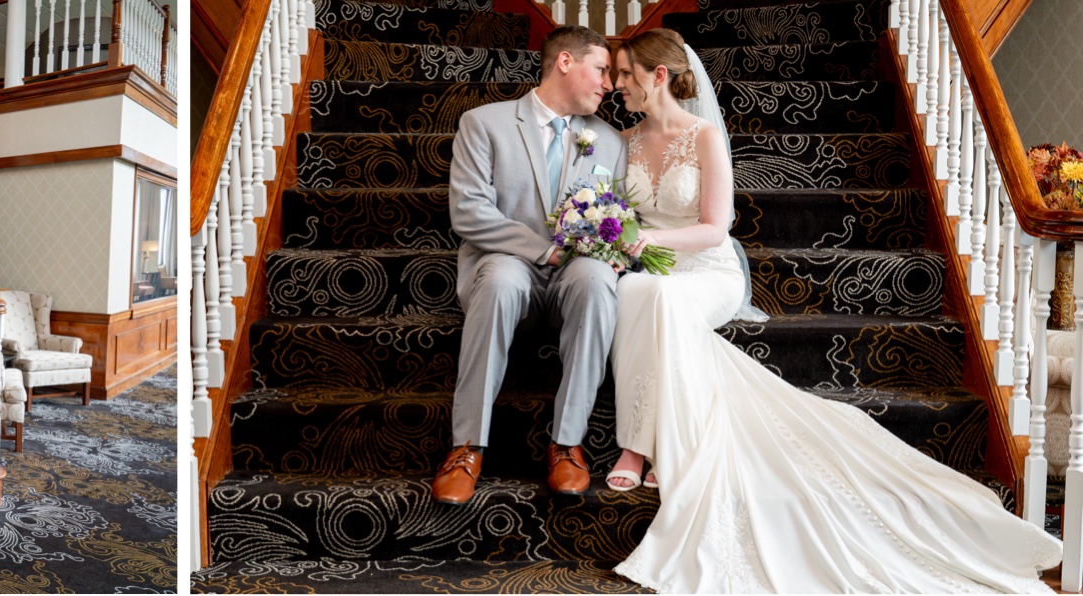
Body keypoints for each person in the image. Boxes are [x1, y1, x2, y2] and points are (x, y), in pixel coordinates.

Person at [606, 28, 1059, 592]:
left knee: (661, 296)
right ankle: (647, 441)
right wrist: (612, 239)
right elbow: (613, 214)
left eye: (625, 73)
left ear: (658, 76)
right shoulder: (620, 141)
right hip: (652, 270)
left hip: (706, 270)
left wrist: (642, 245)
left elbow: (714, 228)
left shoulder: (702, 137)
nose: (615, 83)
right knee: (635, 292)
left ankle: (642, 448)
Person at [438, 25, 629, 504]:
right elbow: (469, 213)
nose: (608, 84)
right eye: (601, 70)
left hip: (574, 273)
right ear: (565, 62)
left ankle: (567, 443)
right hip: (508, 264)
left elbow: (618, 218)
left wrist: (612, 253)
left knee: (598, 279)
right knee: (502, 279)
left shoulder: (610, 141)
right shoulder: (483, 124)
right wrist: (542, 250)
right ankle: (467, 446)